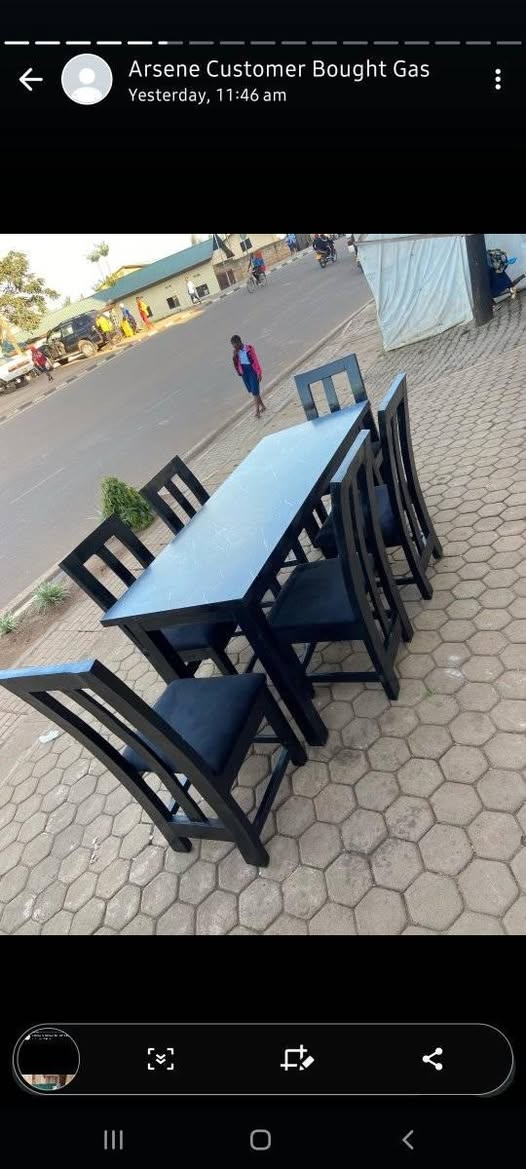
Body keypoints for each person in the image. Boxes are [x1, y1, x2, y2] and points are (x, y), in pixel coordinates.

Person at [231, 334, 266, 418]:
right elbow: (236, 364)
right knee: (253, 390)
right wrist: (234, 356)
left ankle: (257, 411)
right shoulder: (236, 352)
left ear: (239, 342)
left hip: (252, 370)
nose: (234, 347)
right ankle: (263, 406)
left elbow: (255, 360)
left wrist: (259, 372)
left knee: (254, 391)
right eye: (233, 346)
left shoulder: (249, 348)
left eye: (235, 345)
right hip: (244, 372)